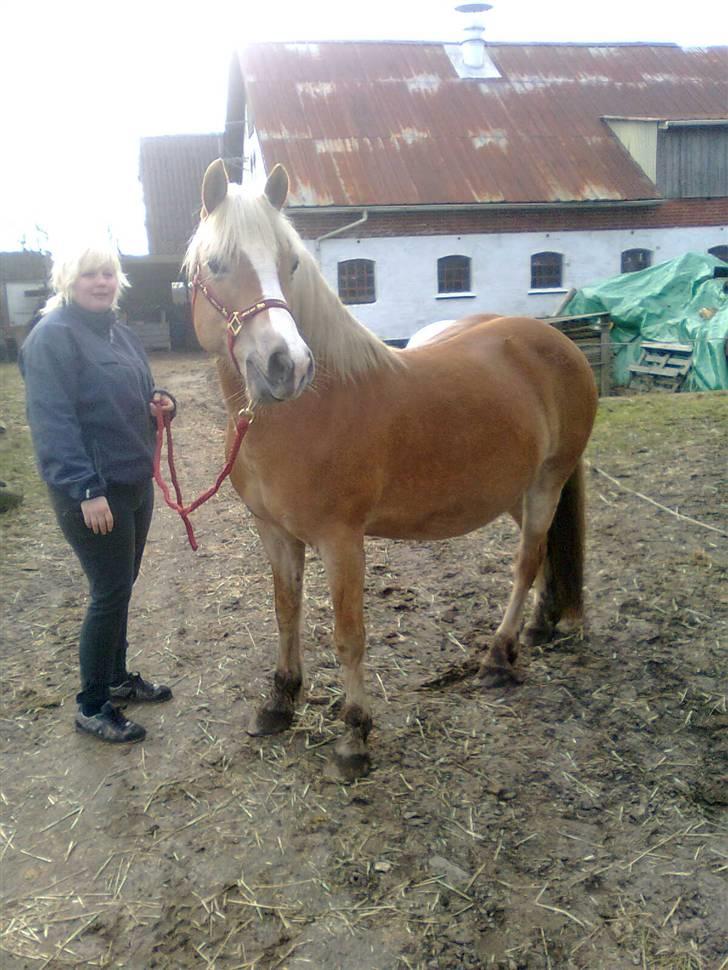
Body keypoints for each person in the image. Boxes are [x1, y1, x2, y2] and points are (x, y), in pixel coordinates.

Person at [19, 243, 176, 744]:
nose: (102, 282)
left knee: (122, 585)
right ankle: (91, 705)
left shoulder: (119, 333)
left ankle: (116, 677)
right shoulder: (52, 338)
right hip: (91, 491)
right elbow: (53, 422)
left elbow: (140, 393)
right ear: (69, 280)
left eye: (108, 273)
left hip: (133, 481)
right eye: (90, 274)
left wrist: (161, 405)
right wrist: (86, 488)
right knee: (108, 592)